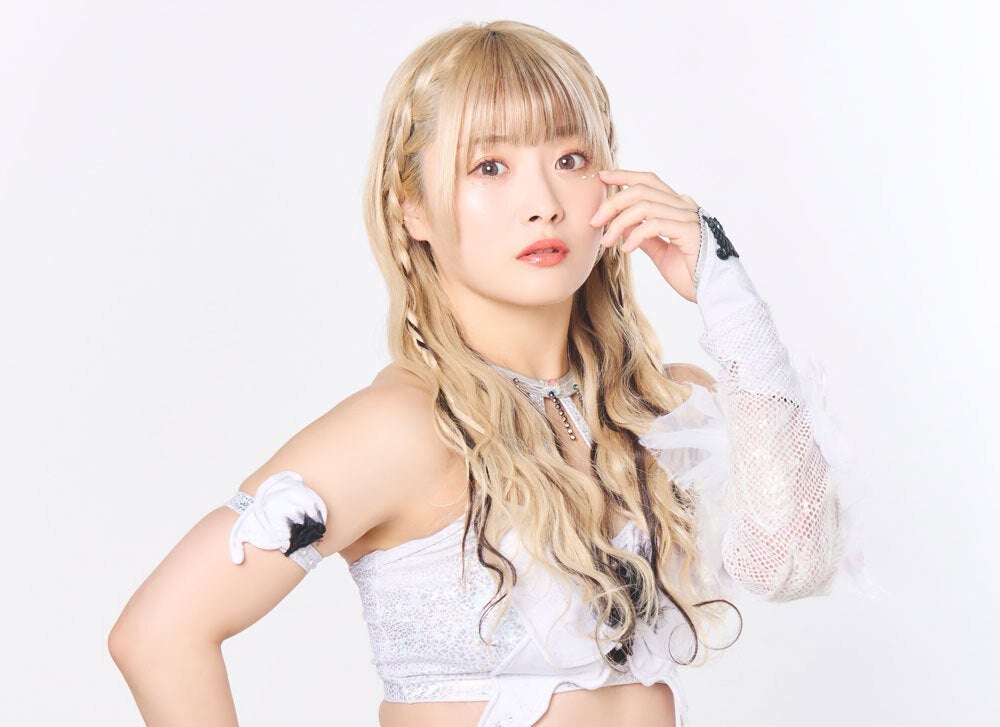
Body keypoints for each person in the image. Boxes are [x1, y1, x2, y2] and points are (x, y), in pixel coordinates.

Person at [108, 19, 876, 727]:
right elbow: (158, 635)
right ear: (411, 208)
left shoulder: (662, 408)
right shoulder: (406, 428)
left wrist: (726, 292)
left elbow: (794, 562)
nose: (542, 202)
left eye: (569, 160)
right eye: (490, 166)